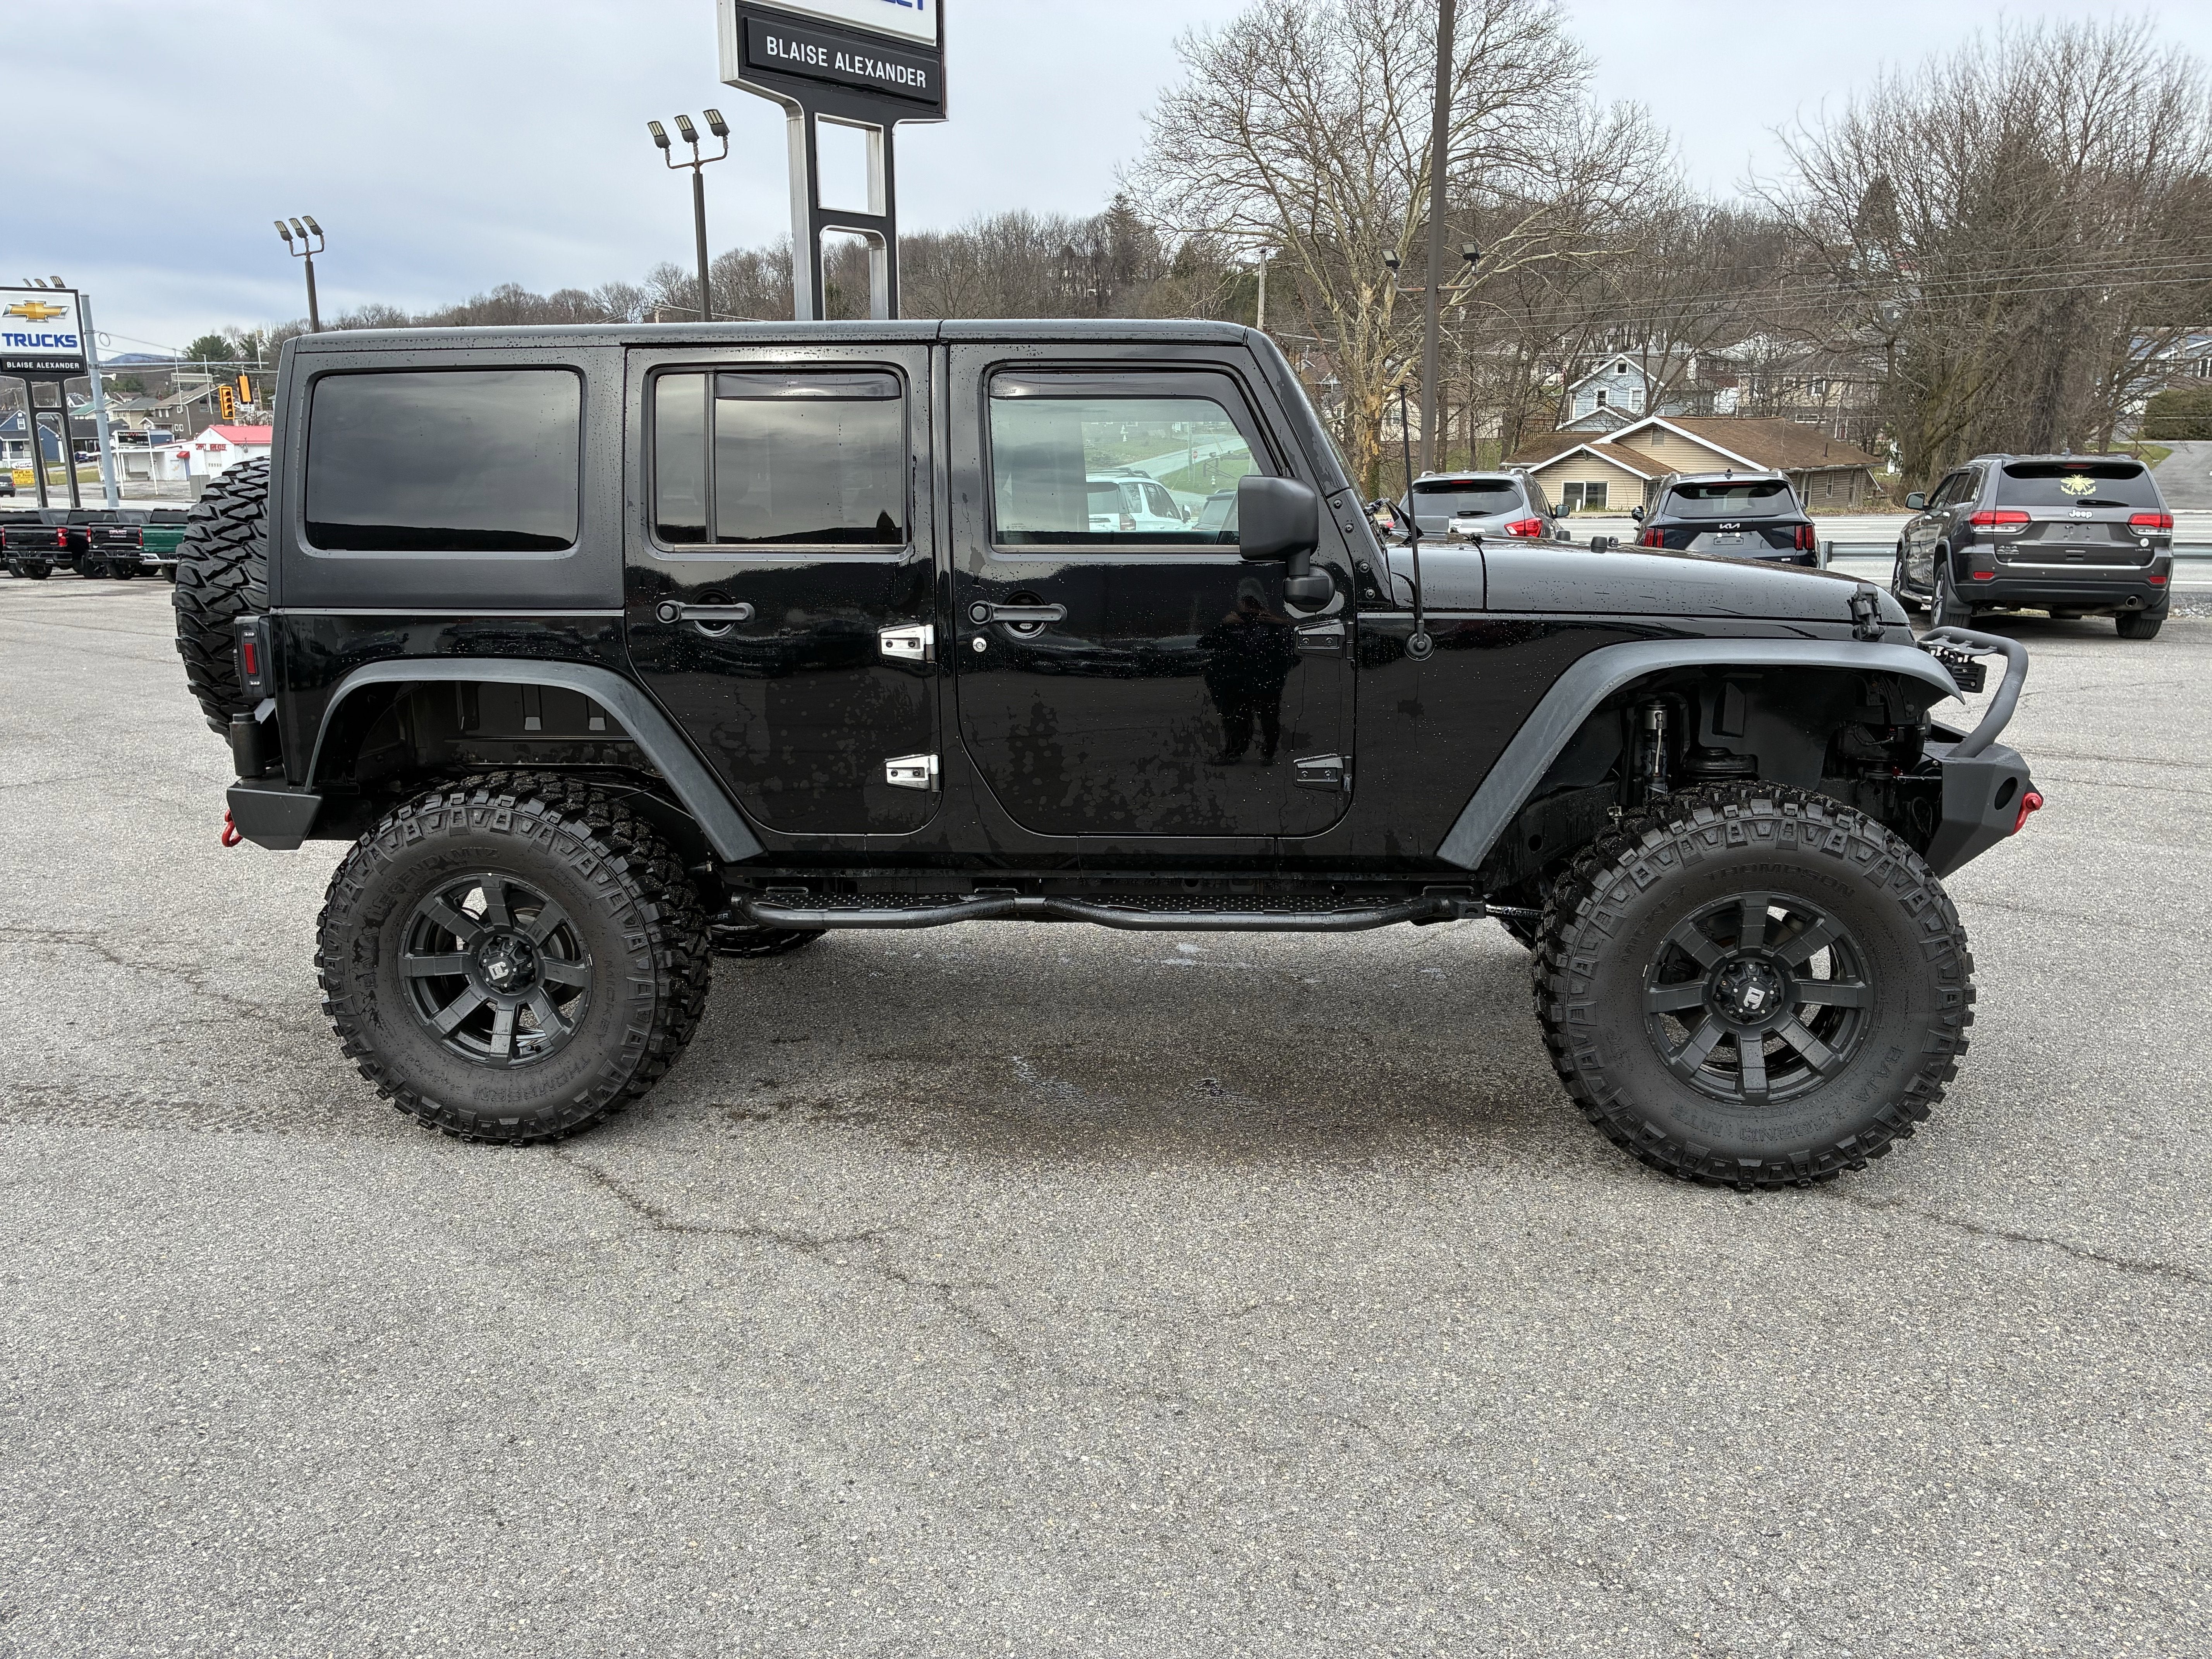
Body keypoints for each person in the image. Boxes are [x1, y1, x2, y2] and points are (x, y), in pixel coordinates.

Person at [1199, 579, 1298, 765]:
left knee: (1268, 717)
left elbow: (1294, 652)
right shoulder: (1233, 624)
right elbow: (1205, 644)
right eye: (1246, 602)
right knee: (1237, 718)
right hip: (1238, 682)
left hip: (1267, 682)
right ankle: (1235, 751)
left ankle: (1268, 752)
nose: (1250, 608)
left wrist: (1279, 623)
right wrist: (1225, 625)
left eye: (1254, 603)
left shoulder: (1276, 625)